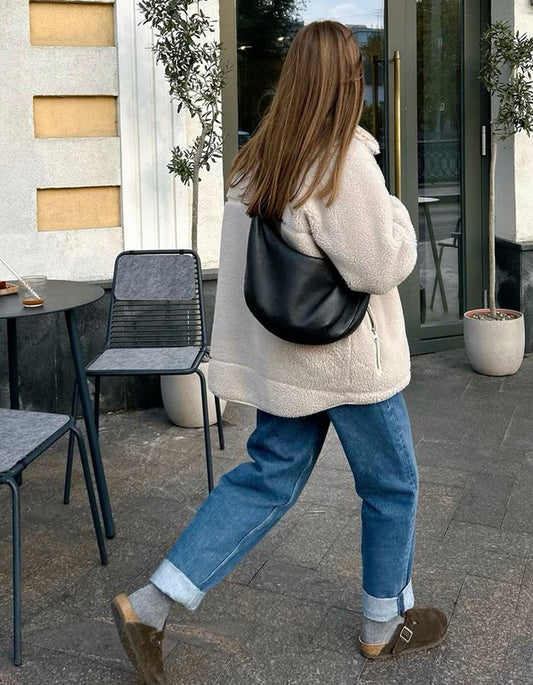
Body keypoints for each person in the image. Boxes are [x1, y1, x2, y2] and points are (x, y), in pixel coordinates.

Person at [111, 20, 447, 685]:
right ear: (349, 82)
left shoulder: (256, 160)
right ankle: (384, 624)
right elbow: (381, 264)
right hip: (348, 365)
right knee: (391, 484)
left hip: (287, 363)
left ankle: (149, 606)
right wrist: (397, 213)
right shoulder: (342, 160)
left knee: (266, 478)